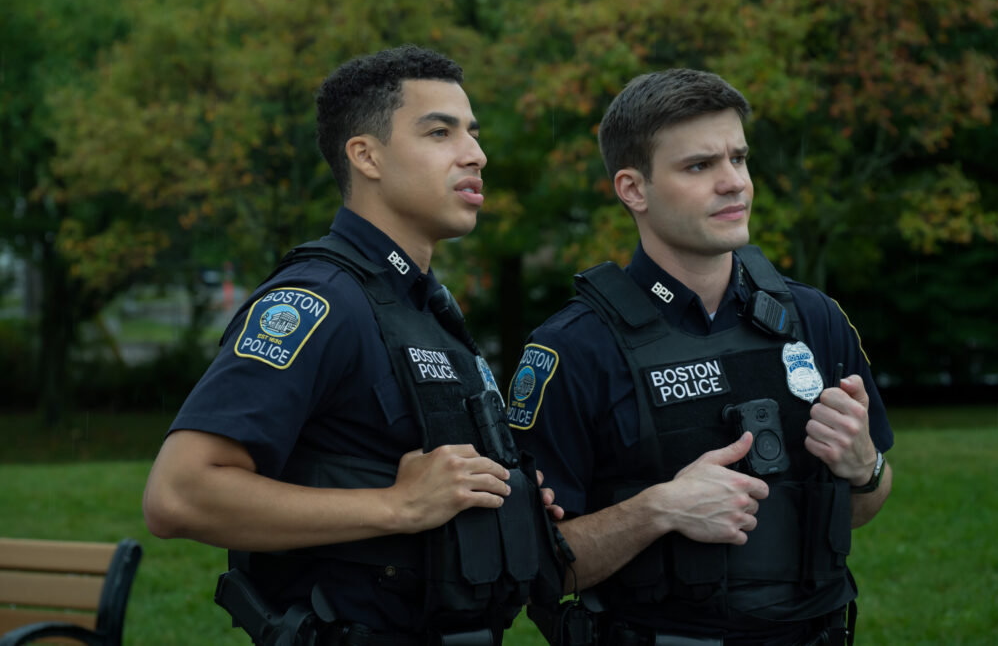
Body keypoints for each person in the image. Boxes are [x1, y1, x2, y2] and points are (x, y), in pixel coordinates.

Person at [143, 45, 565, 646]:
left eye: (472, 133)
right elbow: (178, 494)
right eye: (440, 132)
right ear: (366, 155)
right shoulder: (320, 299)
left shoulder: (428, 308)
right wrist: (395, 506)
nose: (475, 154)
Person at [507, 68, 893, 646]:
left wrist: (867, 469)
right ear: (633, 189)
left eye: (738, 159)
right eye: (699, 166)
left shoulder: (815, 319)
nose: (733, 182)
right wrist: (657, 510)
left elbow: (862, 506)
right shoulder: (573, 350)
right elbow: (532, 569)